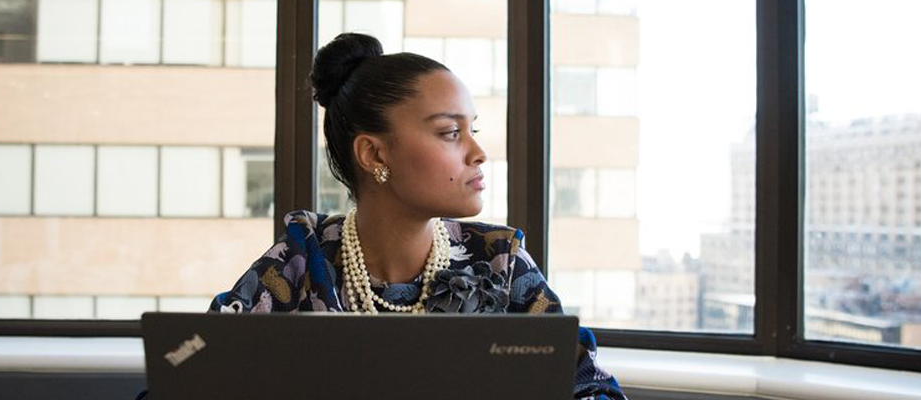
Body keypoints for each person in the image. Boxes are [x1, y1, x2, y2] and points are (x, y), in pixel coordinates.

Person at [208, 33, 627, 400]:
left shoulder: (500, 259)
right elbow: (195, 366)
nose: (477, 153)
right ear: (374, 154)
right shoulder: (301, 257)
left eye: (472, 131)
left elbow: (590, 385)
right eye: (450, 132)